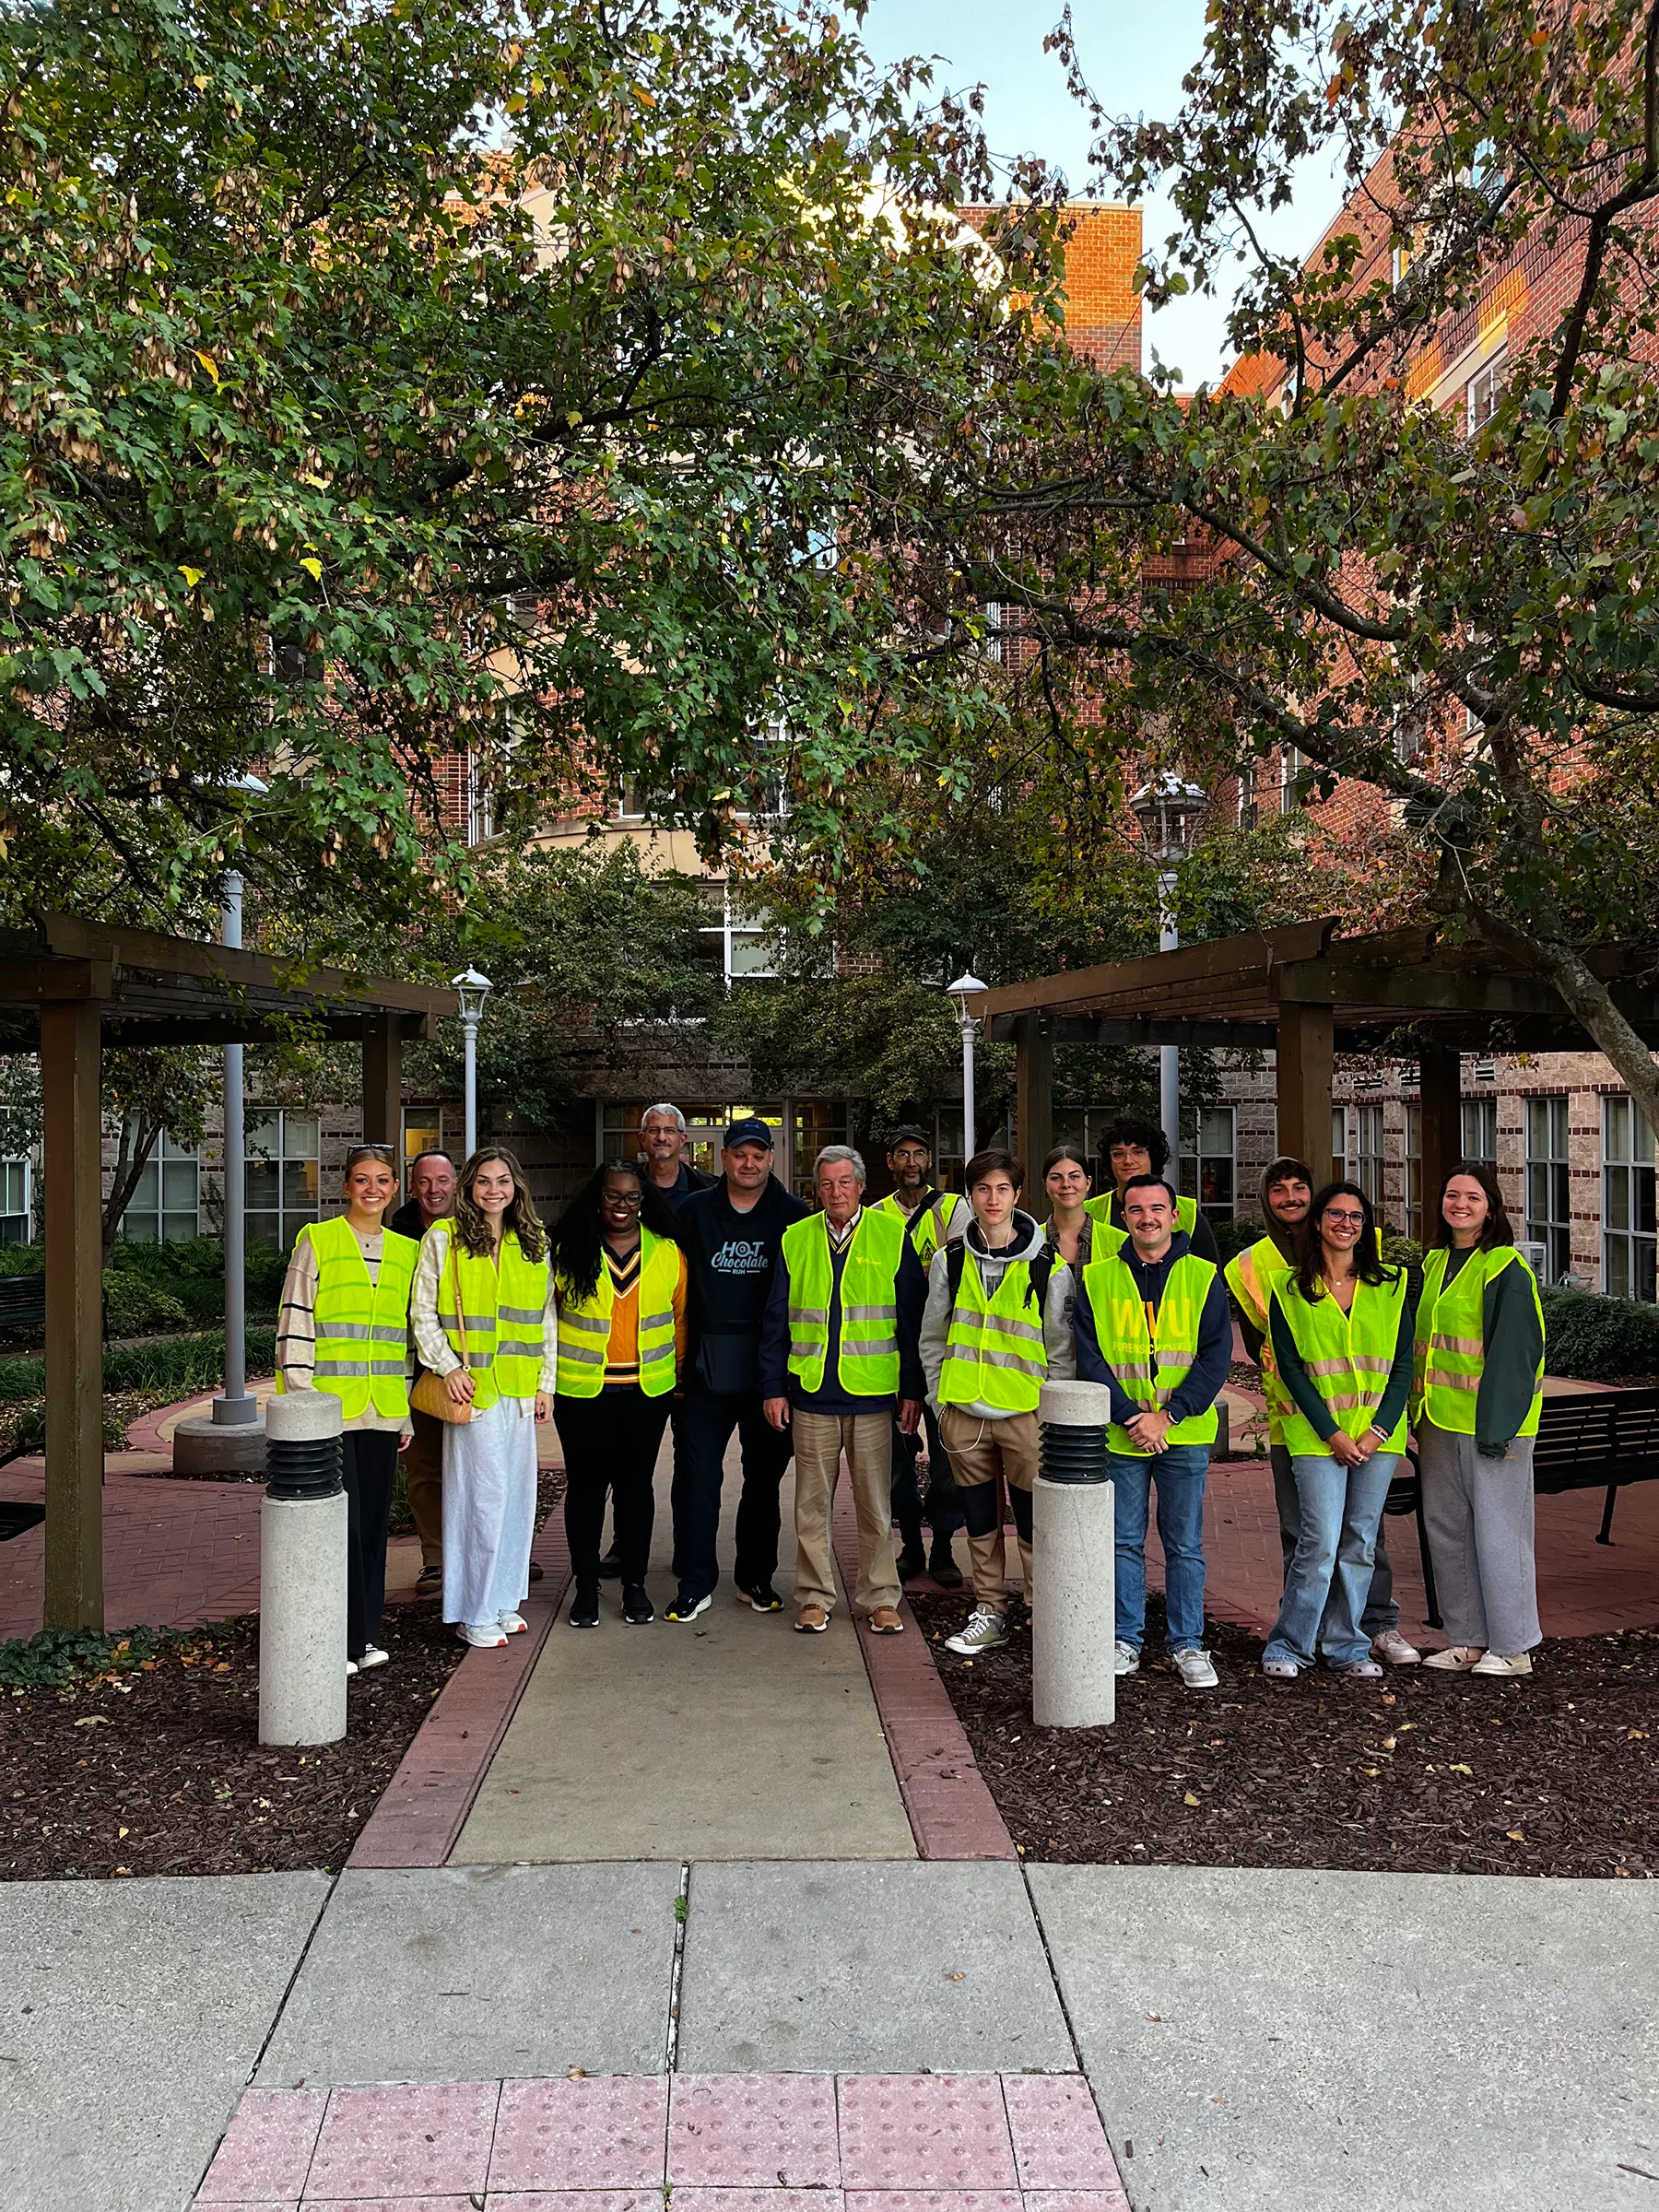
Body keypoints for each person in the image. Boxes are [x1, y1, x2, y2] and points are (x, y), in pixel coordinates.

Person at [1226, 1158, 1418, 1666]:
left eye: (1356, 1217)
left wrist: (1378, 1431)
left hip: (1377, 1438)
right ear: (1319, 1220)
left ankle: (1347, 1645)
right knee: (1318, 1541)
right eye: (1336, 1214)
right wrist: (1332, 1432)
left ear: (1367, 1226)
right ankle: (1290, 1643)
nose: (1345, 1224)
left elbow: (1402, 1366)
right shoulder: (1289, 1288)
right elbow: (1287, 1367)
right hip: (1317, 1436)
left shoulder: (1394, 1285)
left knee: (1359, 1542)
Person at [759, 1146, 927, 1634]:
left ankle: (880, 1596)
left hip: (873, 1396)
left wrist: (911, 1390)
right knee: (811, 1505)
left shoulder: (892, 1235)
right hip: (810, 1393)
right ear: (817, 1190)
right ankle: (814, 1596)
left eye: (844, 1183)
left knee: (877, 1503)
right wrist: (773, 1387)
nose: (836, 1192)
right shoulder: (795, 1239)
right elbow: (775, 1322)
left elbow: (911, 1322)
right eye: (827, 1184)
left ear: (861, 1186)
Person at [1075, 1172, 1232, 1688]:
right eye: (1136, 1209)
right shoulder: (1096, 1277)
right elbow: (1090, 1357)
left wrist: (1169, 1416)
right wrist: (1131, 1416)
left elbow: (1215, 1357)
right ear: (1123, 1218)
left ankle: (1188, 1645)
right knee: (1123, 1541)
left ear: (1173, 1215)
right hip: (1123, 1435)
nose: (1147, 1218)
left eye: (1156, 1208)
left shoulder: (1204, 1275)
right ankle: (1126, 1638)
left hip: (1181, 1434)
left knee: (1184, 1544)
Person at [920, 1148, 1076, 1656]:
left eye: (1002, 1189)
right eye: (982, 1189)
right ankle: (990, 1608)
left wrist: (1048, 1413)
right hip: (964, 1415)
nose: (992, 1198)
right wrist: (938, 1401)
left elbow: (1061, 1350)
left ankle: (1038, 1608)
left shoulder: (1048, 1265)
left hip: (1026, 1417)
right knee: (980, 1520)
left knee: (1032, 1520)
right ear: (970, 1196)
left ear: (1017, 1195)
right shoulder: (951, 1260)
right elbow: (933, 1337)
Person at [276, 1144, 418, 1676]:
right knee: (340, 1527)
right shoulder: (318, 1240)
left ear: (395, 1188)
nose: (373, 1189)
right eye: (362, 1179)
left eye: (383, 1179)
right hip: (328, 1411)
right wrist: (301, 1398)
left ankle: (366, 1636)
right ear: (346, 1186)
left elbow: (404, 1340)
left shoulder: (408, 1251)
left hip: (382, 1409)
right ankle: (341, 1636)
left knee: (373, 1526)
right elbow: (296, 1318)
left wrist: (403, 1412)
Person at [411, 1147, 554, 1649]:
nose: (495, 1190)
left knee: (516, 1500)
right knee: (480, 1501)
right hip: (473, 1390)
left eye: (504, 1181)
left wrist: (545, 1385)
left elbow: (544, 1321)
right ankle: (472, 1608)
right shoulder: (443, 1238)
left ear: (517, 1186)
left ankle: (503, 1600)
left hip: (518, 1390)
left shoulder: (533, 1242)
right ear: (469, 1187)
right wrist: (447, 1368)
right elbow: (422, 1313)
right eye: (484, 1182)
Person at [669, 1116, 809, 1618]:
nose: (749, 1163)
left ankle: (756, 1577)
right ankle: (695, 1580)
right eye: (739, 1153)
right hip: (705, 1373)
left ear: (771, 1158)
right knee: (698, 1477)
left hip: (769, 1376)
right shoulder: (693, 1211)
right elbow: (672, 1288)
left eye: (758, 1154)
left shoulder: (794, 1216)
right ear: (723, 1157)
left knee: (764, 1482)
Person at [1414, 1162, 1547, 1678]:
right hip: (1440, 1422)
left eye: (1472, 1196)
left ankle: (1512, 1646)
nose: (1460, 1204)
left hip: (1494, 1427)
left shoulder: (1504, 1267)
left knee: (1500, 1532)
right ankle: (1468, 1639)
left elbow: (1515, 1355)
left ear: (1490, 1206)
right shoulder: (1435, 1263)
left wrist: (1498, 1430)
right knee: (1448, 1530)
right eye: (1451, 1195)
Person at [549, 1161, 688, 1628]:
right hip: (582, 1392)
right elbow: (546, 1322)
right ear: (597, 1197)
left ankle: (634, 1587)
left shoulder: (668, 1252)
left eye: (632, 1197)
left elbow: (680, 1321)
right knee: (586, 1491)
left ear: (644, 1200)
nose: (622, 1206)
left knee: (635, 1491)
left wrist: (678, 1377)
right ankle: (586, 1589)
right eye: (613, 1196)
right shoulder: (568, 1252)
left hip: (646, 1394)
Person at [869, 1124, 967, 1589]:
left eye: (919, 1153)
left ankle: (944, 1547)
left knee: (949, 1459)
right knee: (897, 1461)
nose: (911, 1162)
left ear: (929, 1161)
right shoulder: (876, 1216)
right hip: (894, 1353)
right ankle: (911, 1544)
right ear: (890, 1162)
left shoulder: (954, 1209)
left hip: (946, 1355)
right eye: (901, 1154)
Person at [389, 1148, 459, 1594]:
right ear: (413, 1187)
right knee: (426, 1469)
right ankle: (435, 1559)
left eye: (443, 1181)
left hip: (474, 1371)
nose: (434, 1190)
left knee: (480, 1467)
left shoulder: (479, 1227)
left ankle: (488, 1552)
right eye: (425, 1181)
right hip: (418, 1371)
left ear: (456, 1183)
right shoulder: (397, 1232)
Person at [1085, 1114, 1220, 1265]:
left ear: (1152, 1157)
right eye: (1118, 1154)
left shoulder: (1189, 1214)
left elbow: (1209, 1276)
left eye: (1138, 1152)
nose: (1128, 1161)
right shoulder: (1089, 1211)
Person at [636, 1102, 718, 1211]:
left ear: (682, 1140)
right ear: (642, 1139)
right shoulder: (628, 1185)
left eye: (669, 1131)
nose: (661, 1138)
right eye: (654, 1130)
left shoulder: (710, 1188)